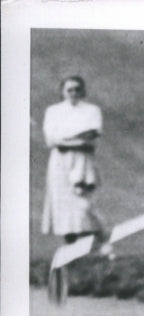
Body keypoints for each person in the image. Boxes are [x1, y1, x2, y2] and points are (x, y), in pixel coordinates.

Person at [41, 75, 109, 248]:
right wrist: (76, 137)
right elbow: (51, 140)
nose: (73, 93)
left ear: (83, 90)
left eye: (77, 89)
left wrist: (66, 138)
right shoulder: (53, 111)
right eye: (69, 90)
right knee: (62, 203)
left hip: (83, 160)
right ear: (62, 92)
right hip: (59, 161)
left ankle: (96, 241)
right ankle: (71, 245)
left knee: (83, 202)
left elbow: (91, 136)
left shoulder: (92, 110)